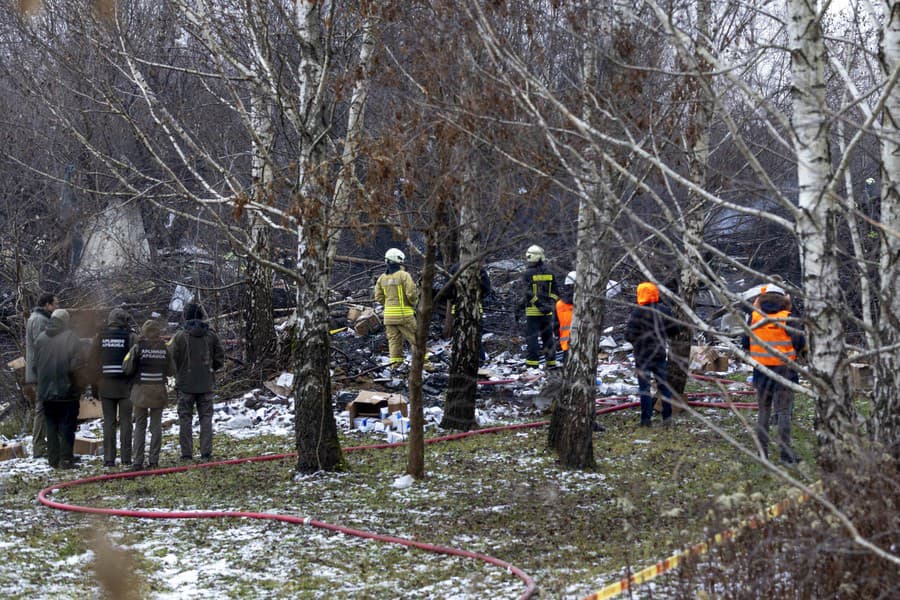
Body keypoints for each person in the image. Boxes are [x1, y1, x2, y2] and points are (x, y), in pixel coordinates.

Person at [741, 283, 806, 465]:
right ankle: (785, 456)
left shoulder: (754, 317)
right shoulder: (788, 318)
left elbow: (745, 343)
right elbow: (800, 343)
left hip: (761, 372)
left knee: (764, 411)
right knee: (784, 412)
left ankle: (763, 454)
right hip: (785, 372)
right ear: (784, 299)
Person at [169, 303, 225, 462]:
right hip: (206, 384)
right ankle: (206, 453)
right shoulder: (211, 335)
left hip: (185, 385)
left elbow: (171, 359)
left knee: (185, 419)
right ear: (201, 316)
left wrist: (178, 372)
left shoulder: (179, 336)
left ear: (185, 316)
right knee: (206, 419)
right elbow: (219, 359)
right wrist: (211, 368)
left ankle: (186, 454)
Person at [31, 309, 86, 469]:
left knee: (51, 425)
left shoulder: (40, 338)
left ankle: (53, 459)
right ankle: (66, 459)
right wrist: (79, 386)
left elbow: (34, 365)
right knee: (67, 425)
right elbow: (77, 367)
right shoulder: (71, 338)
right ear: (65, 321)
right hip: (67, 391)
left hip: (46, 392)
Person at [624, 281, 680, 427]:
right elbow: (675, 330)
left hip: (642, 356)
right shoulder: (664, 311)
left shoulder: (636, 313)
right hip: (659, 354)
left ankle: (645, 421)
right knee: (664, 388)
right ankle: (667, 419)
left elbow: (628, 335)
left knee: (644, 389)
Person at [90, 308, 138, 468]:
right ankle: (126, 458)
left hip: (105, 386)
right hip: (126, 387)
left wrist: (94, 386)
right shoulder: (130, 337)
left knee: (109, 422)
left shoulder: (100, 337)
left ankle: (109, 459)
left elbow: (93, 363)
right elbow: (136, 361)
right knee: (126, 423)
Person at [124, 319, 173, 470]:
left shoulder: (137, 347)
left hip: (140, 392)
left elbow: (126, 367)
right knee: (156, 426)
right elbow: (171, 370)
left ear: (144, 332)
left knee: (140, 426)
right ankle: (154, 460)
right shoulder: (164, 349)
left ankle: (137, 461)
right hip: (158, 391)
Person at [374, 248, 419, 370]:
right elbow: (411, 294)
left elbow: (378, 297)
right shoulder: (404, 275)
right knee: (417, 340)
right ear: (400, 261)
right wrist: (415, 304)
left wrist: (389, 306)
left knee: (394, 342)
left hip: (388, 317)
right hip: (404, 315)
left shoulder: (382, 278)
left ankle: (395, 365)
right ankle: (424, 365)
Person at [25, 293, 57, 458]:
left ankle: (42, 446)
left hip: (40, 372)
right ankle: (39, 448)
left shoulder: (37, 318)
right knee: (42, 409)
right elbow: (42, 347)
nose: (56, 307)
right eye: (54, 304)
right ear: (47, 305)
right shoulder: (39, 320)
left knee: (44, 408)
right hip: (42, 373)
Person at [517, 245, 559, 369]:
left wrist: (521, 307)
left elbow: (528, 294)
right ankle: (551, 362)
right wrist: (549, 305)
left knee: (532, 338)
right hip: (548, 312)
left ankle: (532, 364)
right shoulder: (550, 273)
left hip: (533, 311)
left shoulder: (527, 274)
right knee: (548, 338)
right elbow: (556, 293)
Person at [555, 271, 576, 364]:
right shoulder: (584, 304)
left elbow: (555, 325)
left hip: (565, 345)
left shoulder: (559, 304)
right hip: (582, 345)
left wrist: (558, 340)